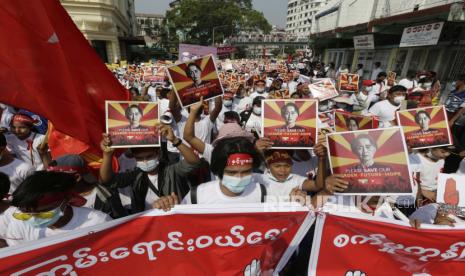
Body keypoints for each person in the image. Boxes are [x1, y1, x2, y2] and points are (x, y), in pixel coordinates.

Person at [99, 124, 201, 217]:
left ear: (158, 153)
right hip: (148, 224)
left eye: (149, 156)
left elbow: (194, 162)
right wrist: (107, 155)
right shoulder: (135, 175)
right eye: (139, 158)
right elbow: (107, 180)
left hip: (175, 218)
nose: (145, 161)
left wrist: (174, 140)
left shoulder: (171, 170)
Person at [6, 171, 111, 246]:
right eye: (25, 213)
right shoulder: (17, 225)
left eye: (43, 212)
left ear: (66, 200)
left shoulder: (98, 223)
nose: (33, 218)